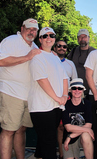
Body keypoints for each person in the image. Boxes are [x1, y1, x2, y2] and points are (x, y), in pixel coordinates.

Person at [0, 18, 41, 159]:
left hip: (28, 95)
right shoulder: (10, 41)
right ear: (22, 28)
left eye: (34, 29)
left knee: (22, 129)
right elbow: (1, 61)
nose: (31, 32)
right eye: (29, 28)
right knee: (8, 130)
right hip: (10, 92)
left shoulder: (35, 47)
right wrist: (27, 57)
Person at [28, 27, 69, 159]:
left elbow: (64, 77)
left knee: (44, 140)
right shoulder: (37, 56)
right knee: (49, 142)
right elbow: (42, 80)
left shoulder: (54, 56)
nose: (48, 38)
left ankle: (39, 156)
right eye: (45, 36)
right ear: (40, 39)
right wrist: (57, 97)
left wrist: (64, 96)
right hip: (41, 107)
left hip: (56, 106)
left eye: (51, 35)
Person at [54, 40, 78, 159]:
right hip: (52, 98)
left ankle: (66, 152)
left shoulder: (70, 64)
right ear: (55, 47)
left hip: (67, 98)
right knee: (56, 126)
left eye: (64, 46)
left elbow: (75, 82)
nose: (62, 48)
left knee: (65, 126)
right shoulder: (50, 61)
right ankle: (60, 153)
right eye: (59, 46)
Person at [62, 78, 94, 159]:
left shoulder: (88, 104)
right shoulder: (65, 105)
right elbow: (68, 128)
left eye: (79, 88)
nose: (77, 90)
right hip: (69, 139)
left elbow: (88, 126)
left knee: (86, 135)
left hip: (78, 137)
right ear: (70, 90)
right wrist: (86, 129)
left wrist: (71, 136)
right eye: (74, 88)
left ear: (83, 90)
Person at [67, 29, 96, 98]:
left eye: (85, 37)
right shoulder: (73, 51)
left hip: (91, 92)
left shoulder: (95, 52)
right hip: (75, 91)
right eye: (80, 37)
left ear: (88, 38)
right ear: (77, 39)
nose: (82, 39)